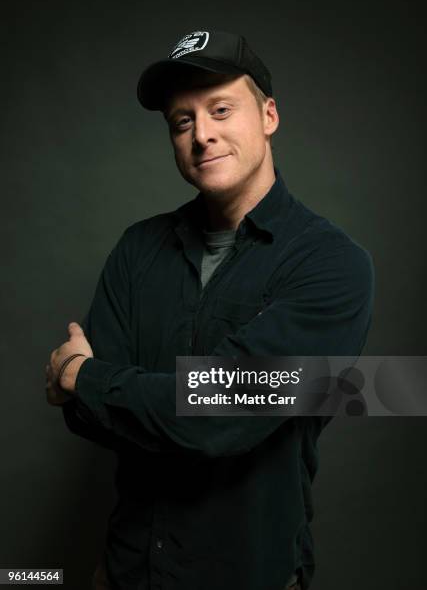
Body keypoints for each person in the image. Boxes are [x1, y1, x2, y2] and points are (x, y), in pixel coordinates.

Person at [45, 30, 374, 590]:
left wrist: (84, 376)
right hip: (128, 572)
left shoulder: (331, 265)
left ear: (269, 116)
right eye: (182, 121)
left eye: (222, 110)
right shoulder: (137, 249)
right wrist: (123, 397)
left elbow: (216, 416)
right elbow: (86, 417)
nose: (202, 135)